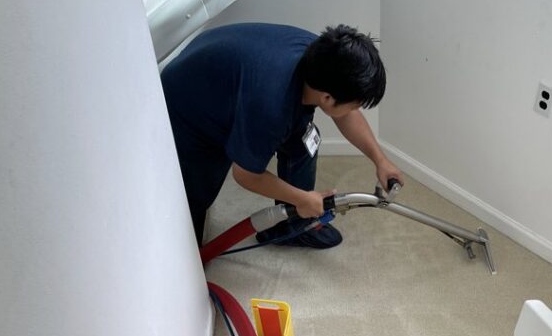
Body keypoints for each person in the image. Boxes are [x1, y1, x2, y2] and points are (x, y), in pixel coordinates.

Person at [160, 22, 404, 247]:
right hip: (185, 107)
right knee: (193, 203)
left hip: (224, 73)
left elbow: (344, 113)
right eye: (354, 105)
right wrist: (302, 199)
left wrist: (380, 160)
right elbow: (246, 175)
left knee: (303, 141)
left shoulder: (327, 58)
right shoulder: (271, 106)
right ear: (327, 98)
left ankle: (295, 227)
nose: (355, 111)